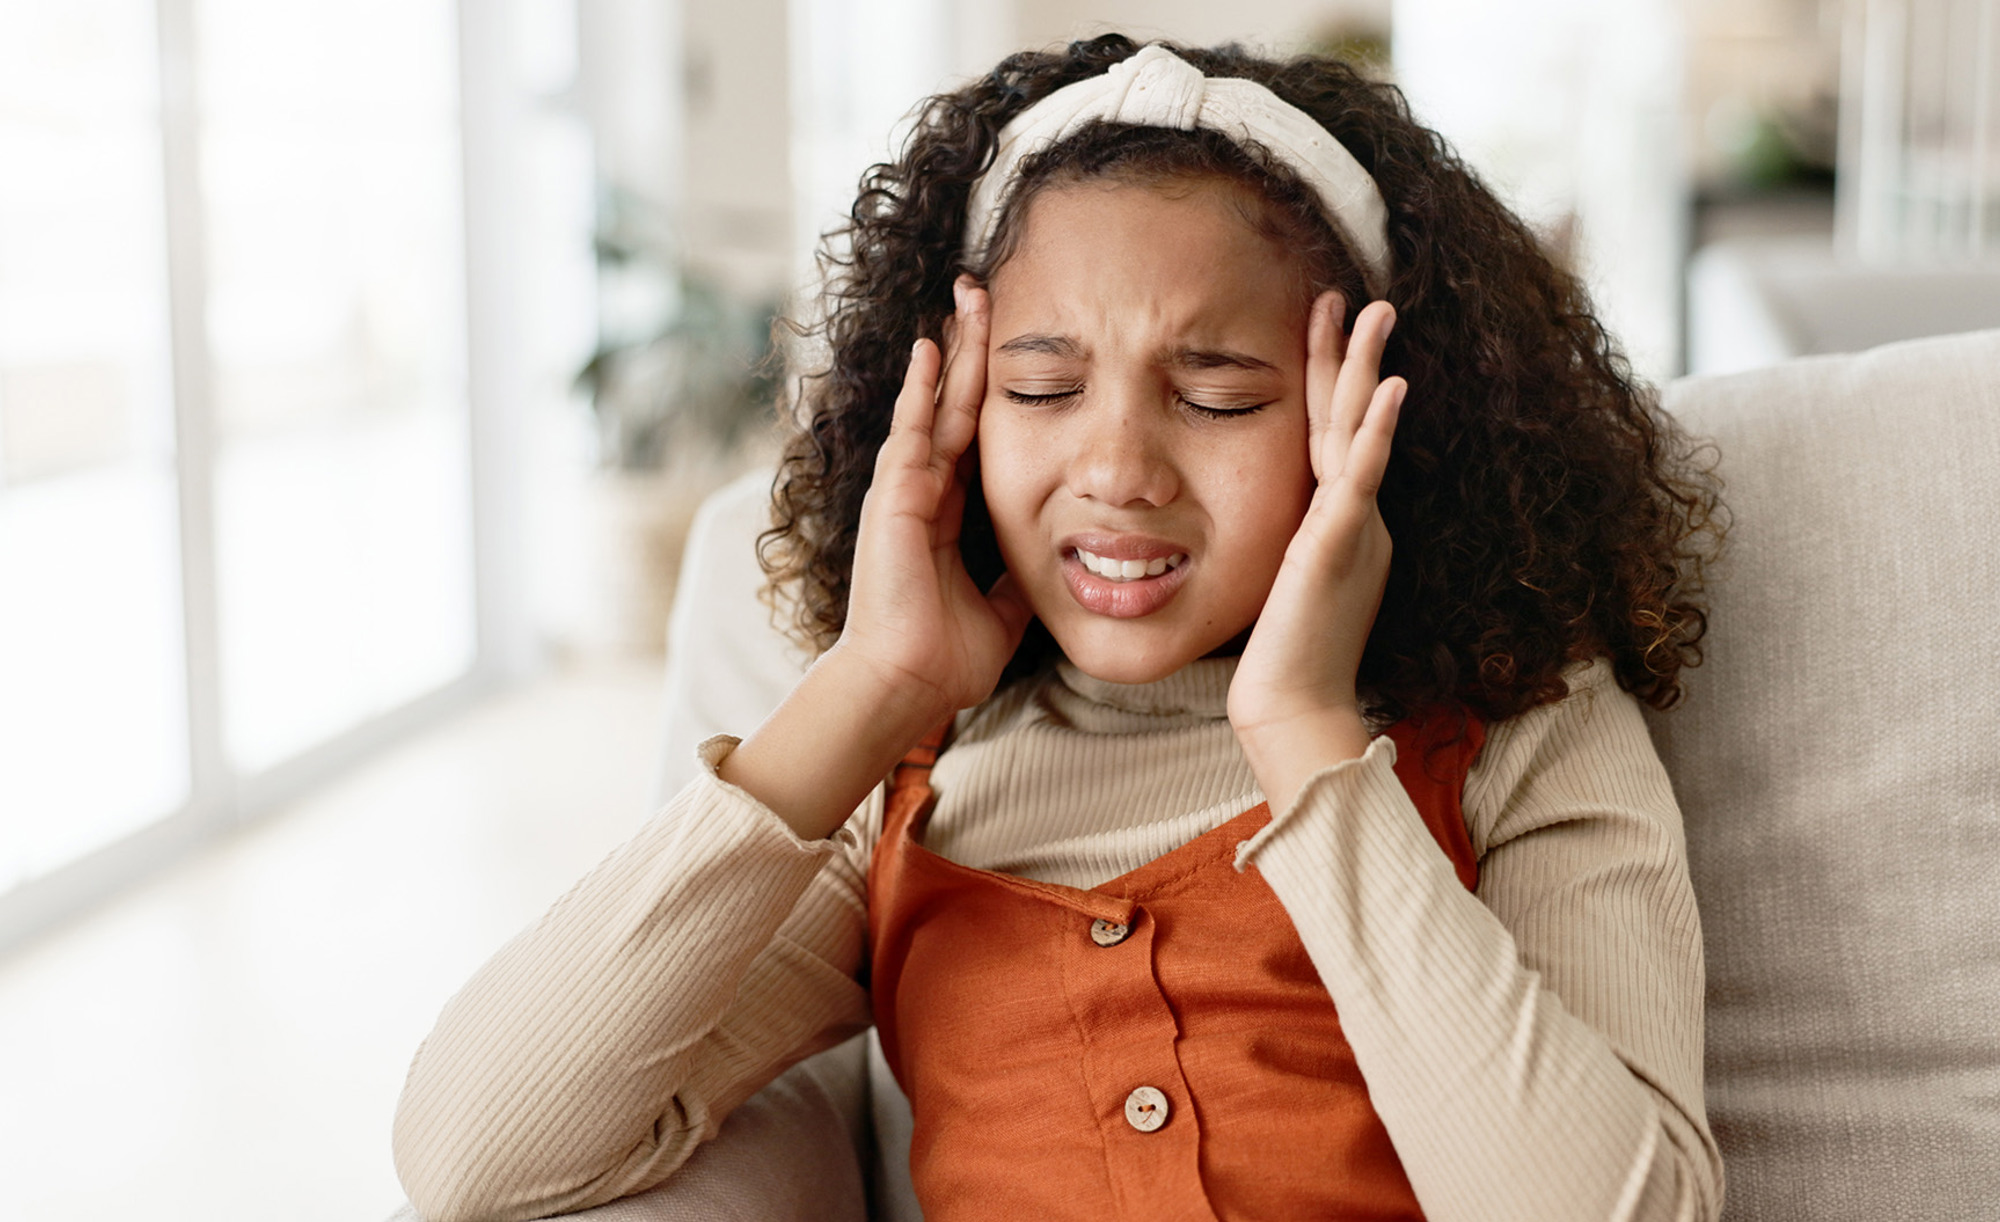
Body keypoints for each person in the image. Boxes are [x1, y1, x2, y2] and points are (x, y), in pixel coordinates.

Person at [393, 35, 1726, 1222]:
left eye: (1215, 393)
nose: (1118, 466)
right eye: (1043, 384)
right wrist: (870, 682)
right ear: (962, 408)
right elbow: (470, 1154)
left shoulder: (1525, 728)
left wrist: (1310, 742)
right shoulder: (908, 791)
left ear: (1367, 411)